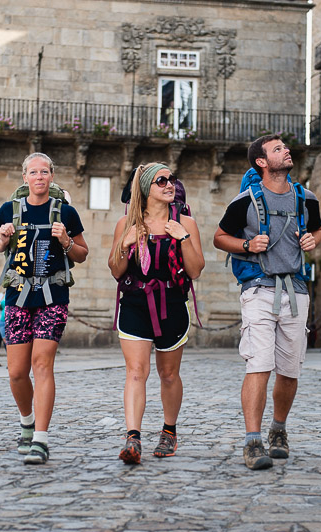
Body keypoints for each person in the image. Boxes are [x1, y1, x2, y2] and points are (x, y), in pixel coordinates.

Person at [213, 134, 321, 470]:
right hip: (258, 289)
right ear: (262, 162)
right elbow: (219, 238)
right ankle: (252, 441)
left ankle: (278, 429)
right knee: (258, 364)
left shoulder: (306, 198)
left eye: (285, 147)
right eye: (277, 149)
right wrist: (247, 247)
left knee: (290, 371)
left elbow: (319, 229)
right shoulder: (244, 201)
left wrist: (312, 239)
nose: (286, 150)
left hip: (296, 290)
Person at [0, 152, 88, 465]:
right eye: (34, 172)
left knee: (42, 364)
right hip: (17, 295)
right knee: (17, 372)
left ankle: (41, 440)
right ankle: (27, 423)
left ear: (52, 176)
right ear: (25, 178)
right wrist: (3, 237)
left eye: (45, 172)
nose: (40, 177)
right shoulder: (10, 209)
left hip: (53, 295)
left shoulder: (65, 213)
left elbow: (83, 253)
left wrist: (67, 242)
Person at [108, 163, 205, 465]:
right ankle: (133, 437)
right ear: (146, 188)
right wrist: (124, 245)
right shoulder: (126, 223)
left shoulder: (186, 222)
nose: (169, 184)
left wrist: (183, 238)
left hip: (172, 305)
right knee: (137, 372)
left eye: (172, 179)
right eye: (161, 180)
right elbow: (115, 270)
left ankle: (169, 430)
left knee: (168, 374)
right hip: (136, 304)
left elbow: (196, 270)